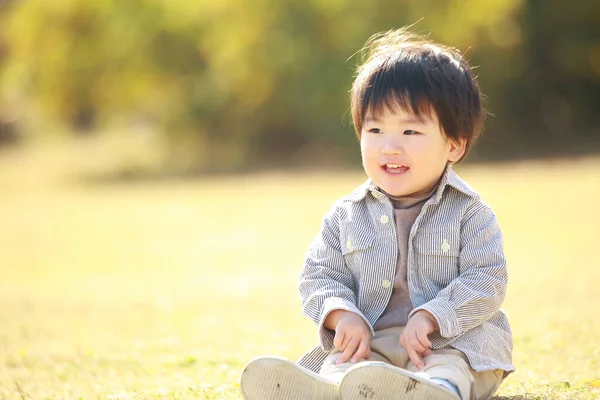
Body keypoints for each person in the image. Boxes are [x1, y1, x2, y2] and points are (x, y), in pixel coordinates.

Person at [240, 27, 514, 400]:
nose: (390, 147)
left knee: (449, 367)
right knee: (346, 366)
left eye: (410, 132)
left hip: (451, 341)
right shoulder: (346, 215)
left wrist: (433, 316)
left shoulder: (470, 213)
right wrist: (341, 314)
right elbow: (319, 276)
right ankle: (330, 390)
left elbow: (487, 280)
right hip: (373, 344)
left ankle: (437, 393)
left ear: (454, 144)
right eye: (375, 129)